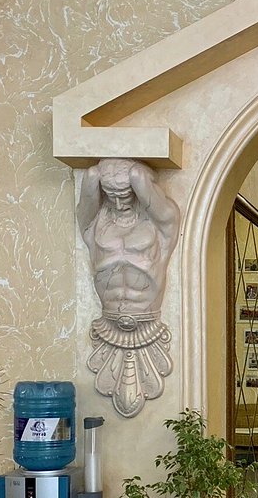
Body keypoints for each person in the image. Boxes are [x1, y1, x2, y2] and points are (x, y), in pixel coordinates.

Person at [76, 158, 181, 417]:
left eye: (125, 195)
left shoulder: (159, 226)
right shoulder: (95, 224)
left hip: (149, 324)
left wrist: (136, 175)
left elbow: (158, 205)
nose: (119, 203)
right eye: (111, 195)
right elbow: (87, 191)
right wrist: (96, 174)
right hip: (108, 325)